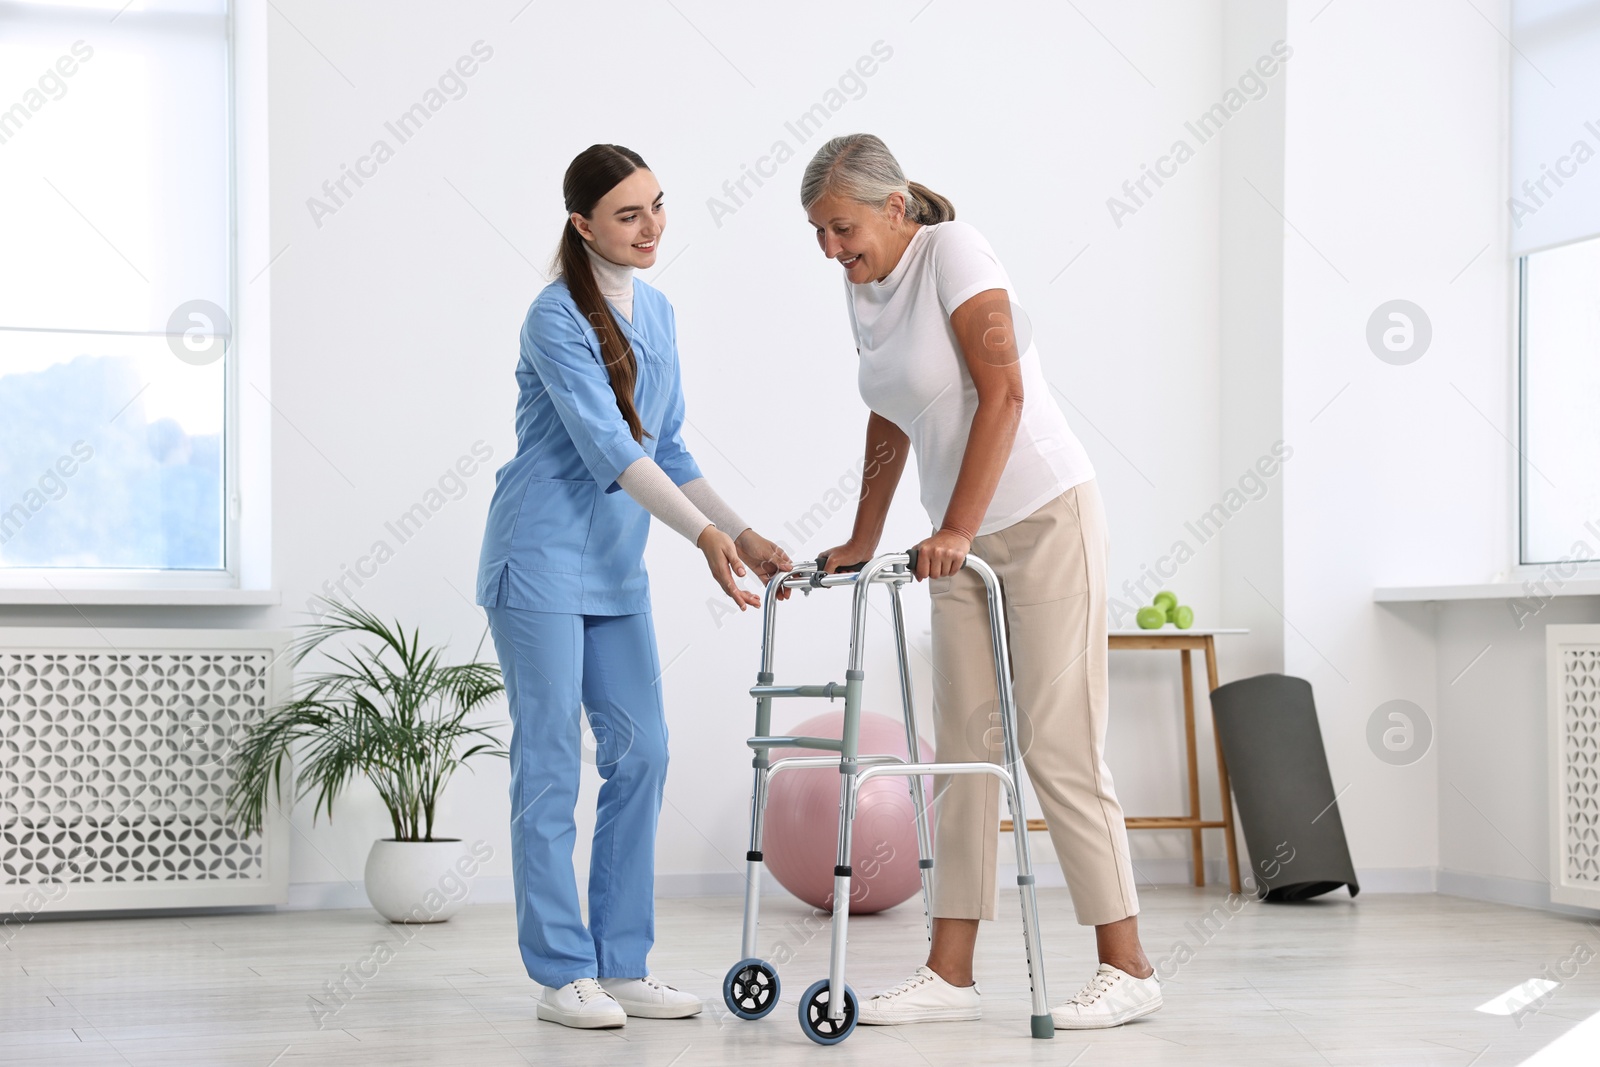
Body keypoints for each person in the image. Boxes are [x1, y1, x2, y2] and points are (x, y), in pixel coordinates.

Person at [801, 133, 1161, 1030]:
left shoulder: (955, 251)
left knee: (1058, 744)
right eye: (818, 233)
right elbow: (888, 412)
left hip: (1040, 517)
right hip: (956, 543)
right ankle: (949, 971)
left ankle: (1130, 966)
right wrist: (863, 534)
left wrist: (959, 524)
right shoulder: (864, 288)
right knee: (962, 750)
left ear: (894, 208)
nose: (832, 249)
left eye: (842, 227)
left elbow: (1001, 392)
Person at [476, 143, 790, 1030]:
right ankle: (561, 970)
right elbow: (611, 449)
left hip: (615, 570)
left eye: (658, 206)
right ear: (583, 225)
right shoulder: (553, 317)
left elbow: (668, 445)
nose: (651, 227)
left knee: (643, 750)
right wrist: (703, 537)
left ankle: (621, 962)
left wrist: (743, 529)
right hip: (536, 560)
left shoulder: (658, 311)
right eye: (627, 214)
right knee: (546, 764)